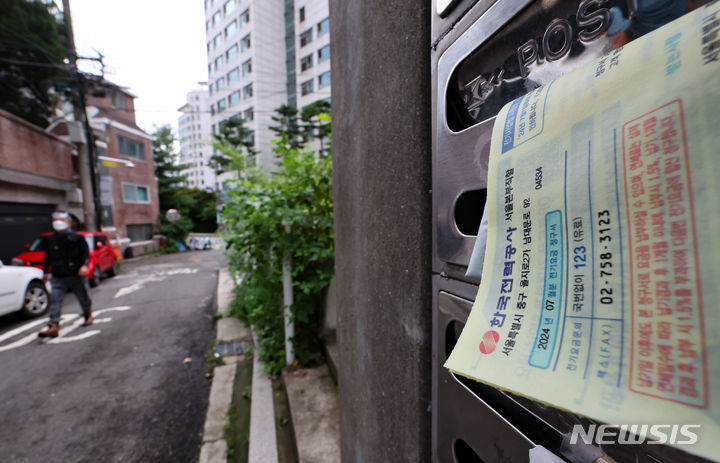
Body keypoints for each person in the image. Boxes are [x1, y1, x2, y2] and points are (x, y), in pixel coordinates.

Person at [38, 212, 94, 338]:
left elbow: (85, 253)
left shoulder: (77, 237)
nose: (58, 222)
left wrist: (84, 265)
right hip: (58, 274)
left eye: (61, 219)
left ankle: (87, 315)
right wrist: (46, 272)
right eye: (56, 219)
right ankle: (53, 325)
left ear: (69, 222)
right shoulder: (50, 239)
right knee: (55, 299)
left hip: (76, 273)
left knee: (83, 296)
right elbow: (48, 257)